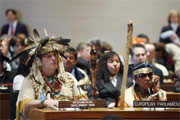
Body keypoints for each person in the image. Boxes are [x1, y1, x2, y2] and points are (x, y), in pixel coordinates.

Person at [16, 35, 88, 120]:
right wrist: (44, 102)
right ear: (39, 61)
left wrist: (82, 103)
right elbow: (25, 103)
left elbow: (82, 99)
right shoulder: (31, 79)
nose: (53, 58)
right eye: (48, 56)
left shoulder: (68, 78)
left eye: (55, 55)